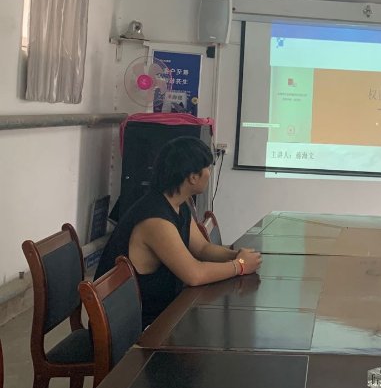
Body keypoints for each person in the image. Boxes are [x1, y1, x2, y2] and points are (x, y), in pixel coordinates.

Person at [96, 136, 262, 327]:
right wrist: (240, 265)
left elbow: (202, 248)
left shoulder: (178, 204)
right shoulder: (155, 220)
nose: (209, 173)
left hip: (162, 311)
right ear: (193, 177)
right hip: (136, 326)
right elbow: (194, 275)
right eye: (207, 168)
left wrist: (236, 255)